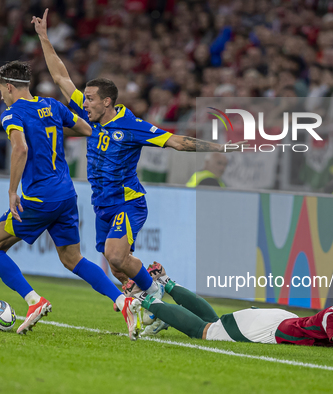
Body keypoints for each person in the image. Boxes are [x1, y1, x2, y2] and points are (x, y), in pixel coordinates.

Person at [33, 10, 244, 306]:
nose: (84, 102)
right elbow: (60, 77)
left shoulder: (132, 126)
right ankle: (153, 293)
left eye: (90, 98)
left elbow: (177, 142)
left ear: (107, 101)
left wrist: (222, 147)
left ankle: (159, 291)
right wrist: (44, 38)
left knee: (117, 256)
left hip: (128, 202)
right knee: (118, 266)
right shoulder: (91, 116)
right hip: (101, 203)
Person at [0, 61, 138, 336]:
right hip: (66, 194)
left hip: (40, 199)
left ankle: (33, 301)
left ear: (8, 87)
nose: (1, 96)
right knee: (72, 258)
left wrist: (11, 191)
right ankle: (122, 301)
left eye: (0, 90)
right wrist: (46, 129)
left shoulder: (11, 114)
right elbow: (87, 128)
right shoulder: (52, 106)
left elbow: (20, 149)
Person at [127, 264, 333, 355]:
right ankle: (146, 299)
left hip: (282, 320)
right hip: (271, 329)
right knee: (207, 331)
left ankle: (167, 283)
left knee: (215, 321)